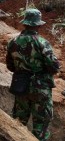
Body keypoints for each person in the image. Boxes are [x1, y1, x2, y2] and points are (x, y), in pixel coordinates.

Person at [6, 8, 60, 141]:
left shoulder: (13, 42)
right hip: (40, 89)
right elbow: (54, 66)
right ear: (38, 25)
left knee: (17, 124)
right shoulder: (42, 43)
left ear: (24, 23)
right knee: (41, 125)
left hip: (21, 87)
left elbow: (10, 66)